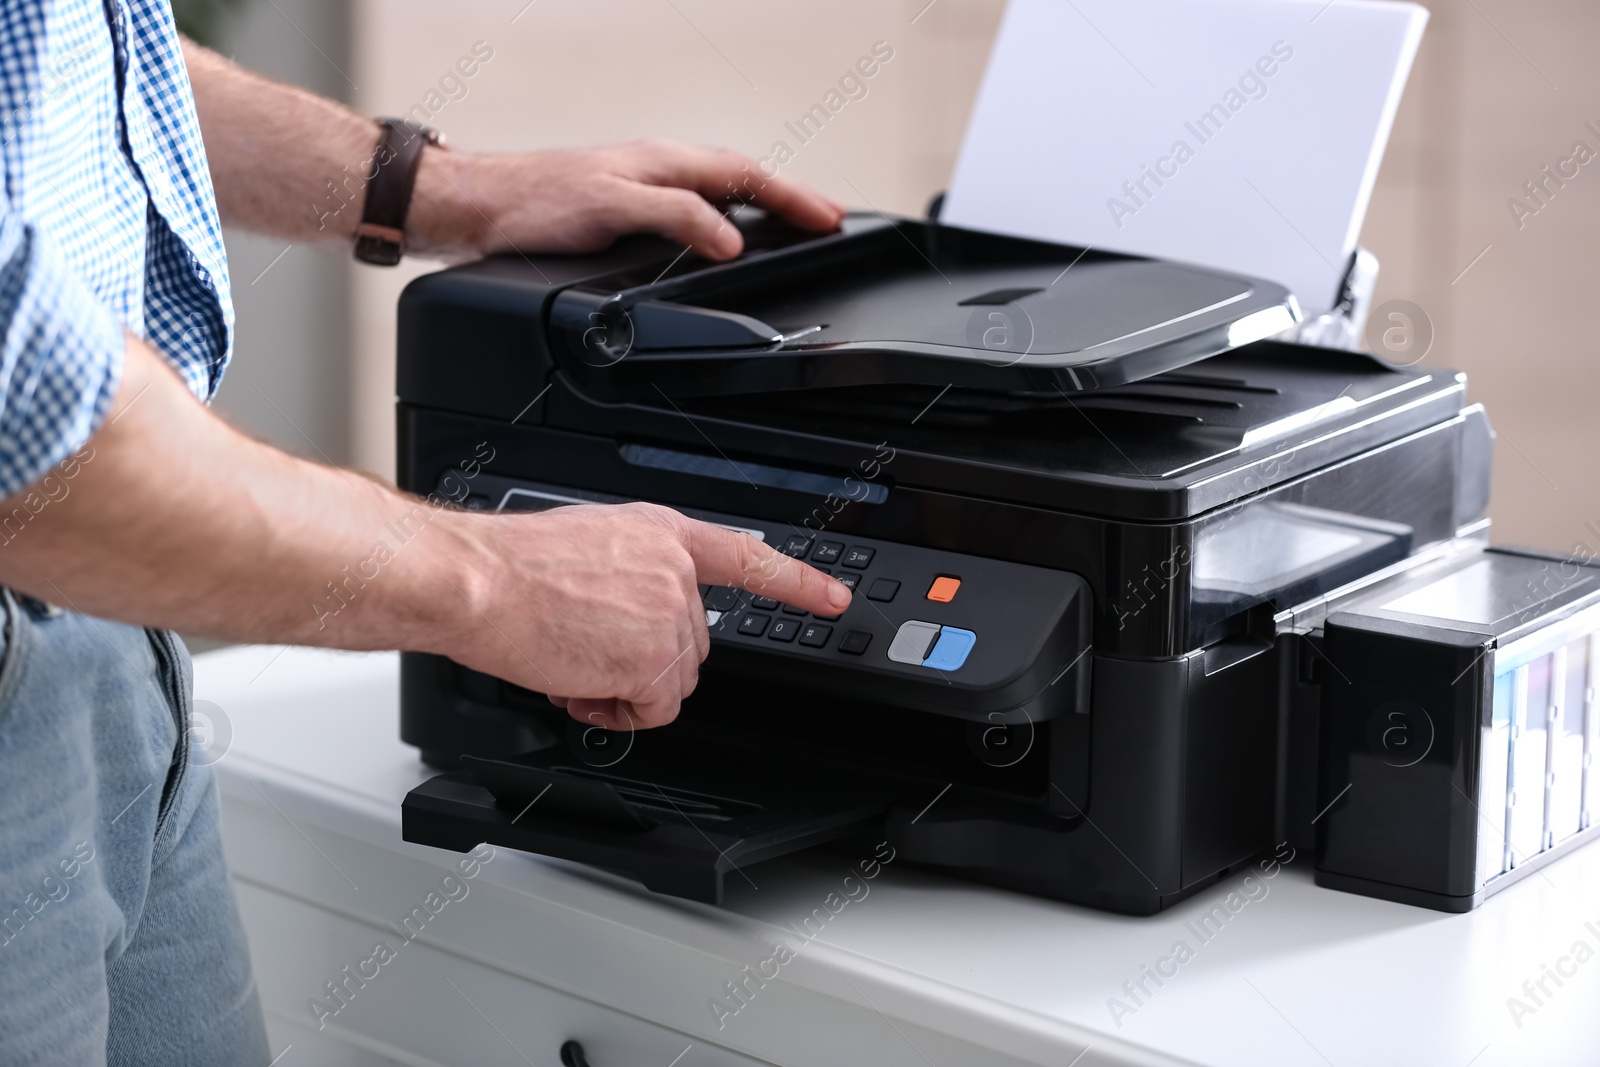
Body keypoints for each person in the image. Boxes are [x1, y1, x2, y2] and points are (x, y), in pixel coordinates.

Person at [0, 2, 853, 1063]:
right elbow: (25, 432)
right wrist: (495, 581)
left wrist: (446, 189)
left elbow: (78, 60)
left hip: (118, 648)